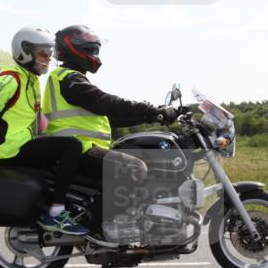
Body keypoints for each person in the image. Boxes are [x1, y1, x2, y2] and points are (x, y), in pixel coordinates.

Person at [0, 27, 88, 235]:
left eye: (50, 53)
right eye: (43, 53)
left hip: (23, 145)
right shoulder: (9, 81)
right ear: (25, 52)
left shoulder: (30, 81)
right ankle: (57, 213)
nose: (48, 58)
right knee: (72, 146)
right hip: (11, 149)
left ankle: (69, 207)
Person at [43, 25, 178, 181]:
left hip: (84, 147)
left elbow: (110, 117)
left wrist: (151, 116)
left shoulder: (70, 79)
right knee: (135, 167)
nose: (95, 55)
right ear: (76, 49)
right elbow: (106, 102)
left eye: (96, 51)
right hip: (77, 149)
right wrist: (150, 109)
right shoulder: (67, 79)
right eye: (92, 50)